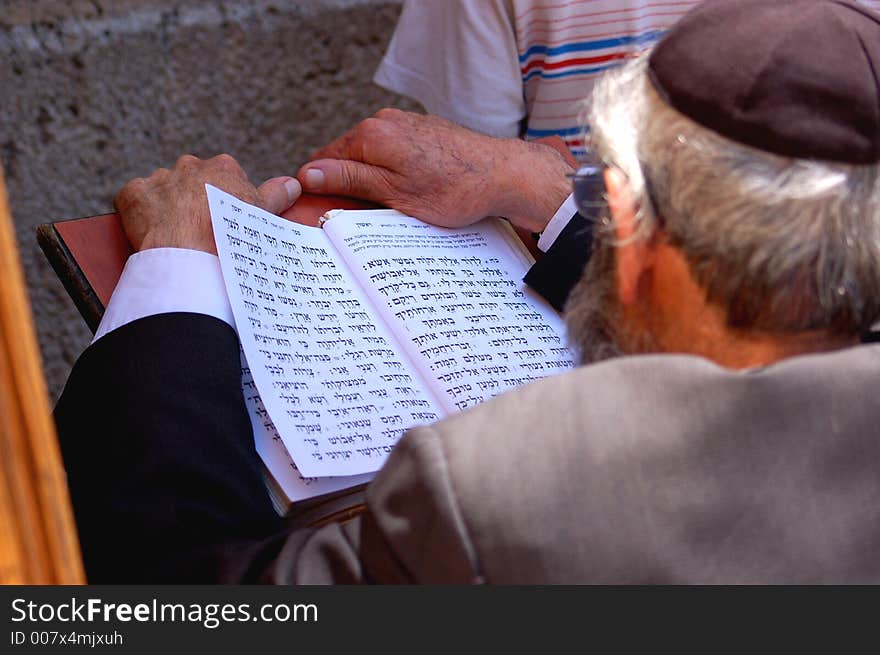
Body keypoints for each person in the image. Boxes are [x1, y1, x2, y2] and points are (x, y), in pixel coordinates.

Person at [55, 0, 880, 583]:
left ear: (631, 232)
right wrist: (542, 190)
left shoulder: (494, 496)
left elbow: (183, 597)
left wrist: (177, 272)